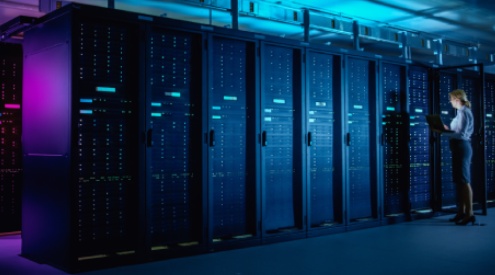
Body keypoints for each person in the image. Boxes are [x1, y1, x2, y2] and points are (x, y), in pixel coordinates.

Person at [442, 89, 475, 225]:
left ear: (457, 98)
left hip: (462, 147)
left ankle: (470, 214)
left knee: (464, 180)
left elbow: (461, 134)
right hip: (458, 147)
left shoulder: (464, 112)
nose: (450, 102)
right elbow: (458, 131)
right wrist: (448, 131)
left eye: (451, 99)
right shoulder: (461, 113)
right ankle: (461, 212)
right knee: (460, 181)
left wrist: (444, 132)